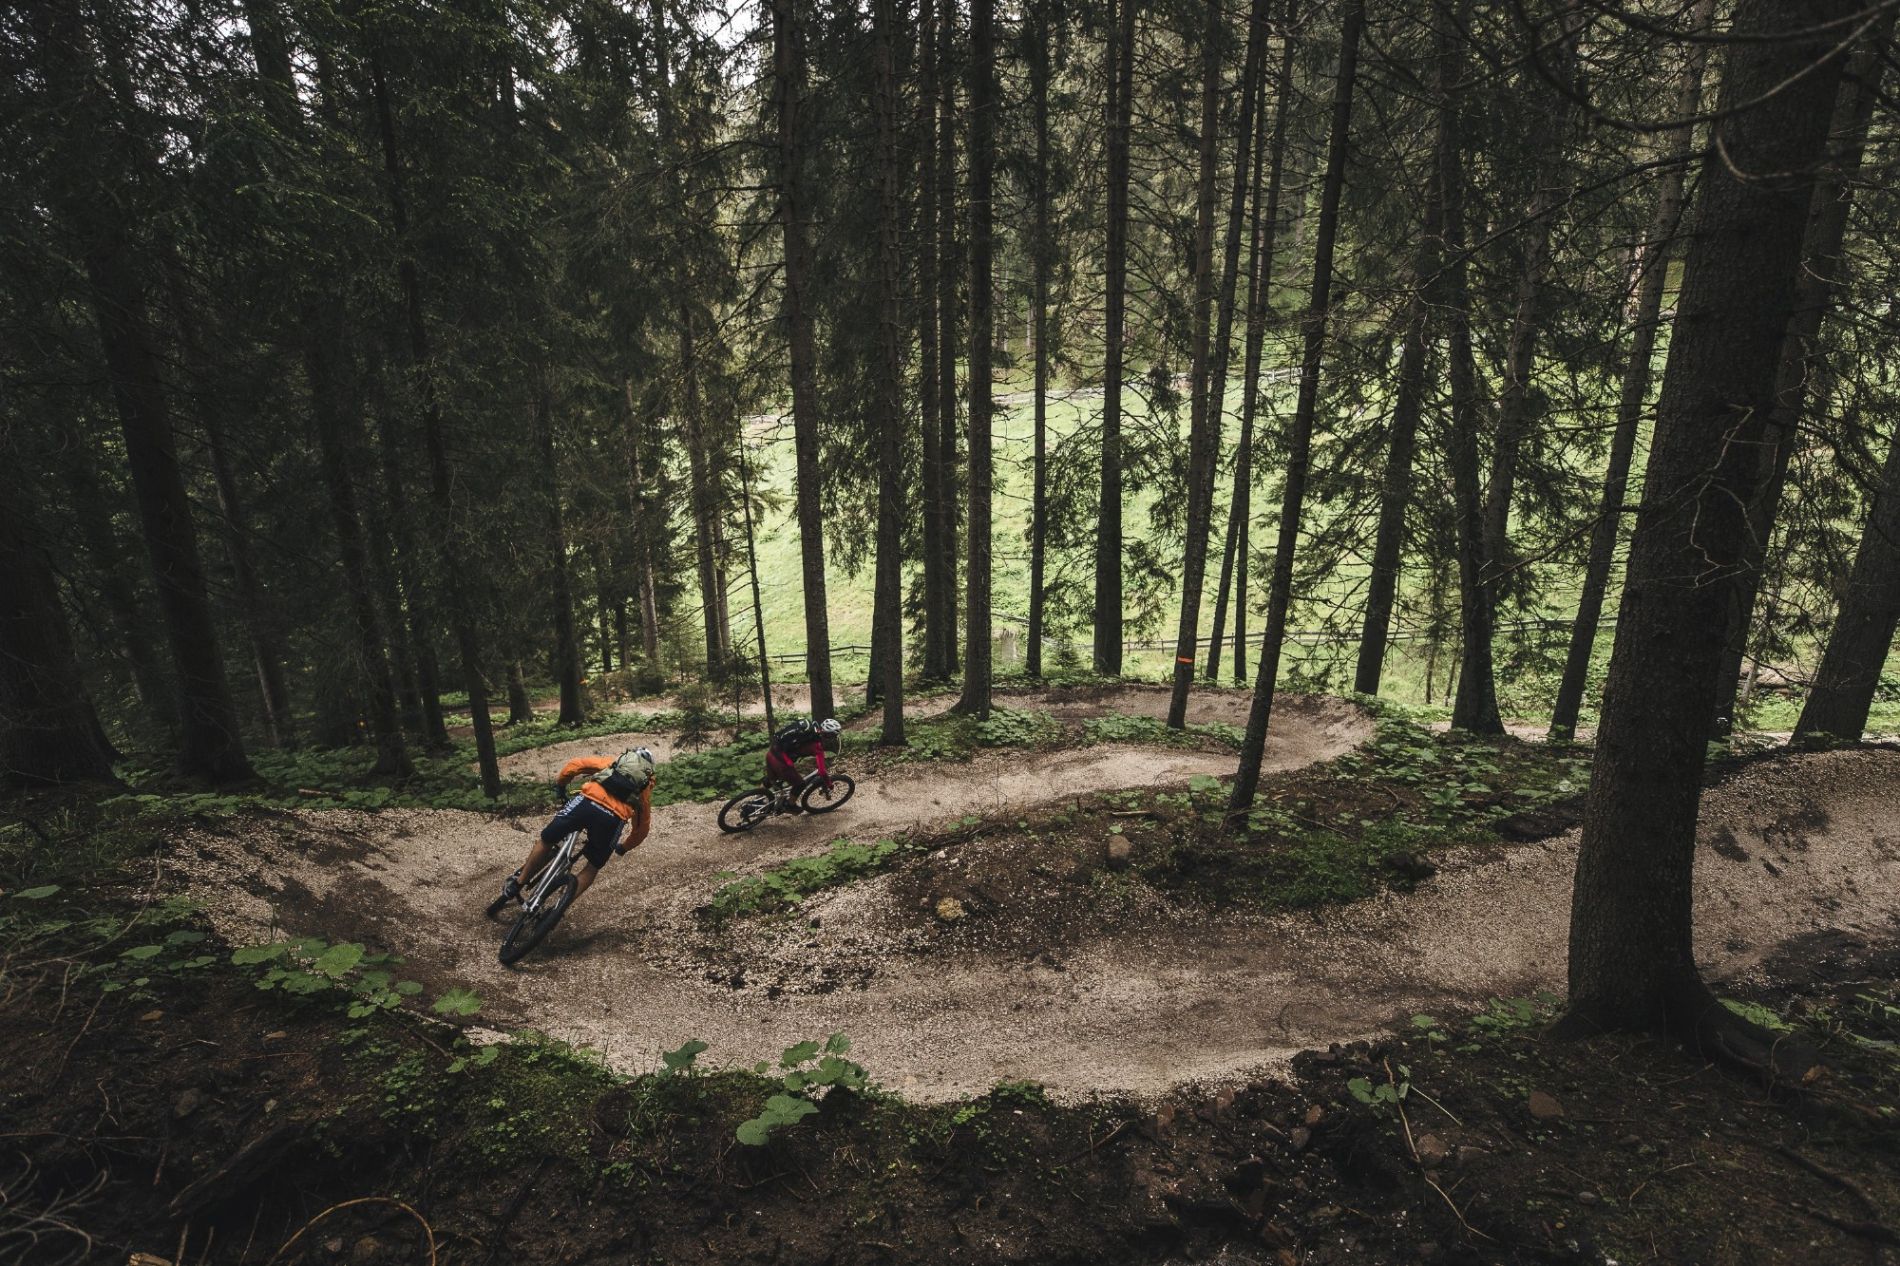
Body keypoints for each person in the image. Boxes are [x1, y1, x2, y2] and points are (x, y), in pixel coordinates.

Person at [500, 747, 655, 907]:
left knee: (546, 840)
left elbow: (576, 765)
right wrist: (624, 847)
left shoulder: (613, 763)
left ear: (628, 758)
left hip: (586, 803)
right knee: (592, 867)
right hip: (612, 820)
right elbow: (642, 829)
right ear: (647, 771)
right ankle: (557, 909)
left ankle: (517, 884)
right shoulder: (643, 787)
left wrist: (561, 785)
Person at [765, 717, 841, 808]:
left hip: (771, 753)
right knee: (800, 784)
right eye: (833, 736)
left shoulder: (808, 729)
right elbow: (822, 771)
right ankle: (790, 805)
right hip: (780, 762)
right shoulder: (817, 746)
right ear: (829, 735)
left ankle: (757, 799)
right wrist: (829, 784)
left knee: (770, 780)